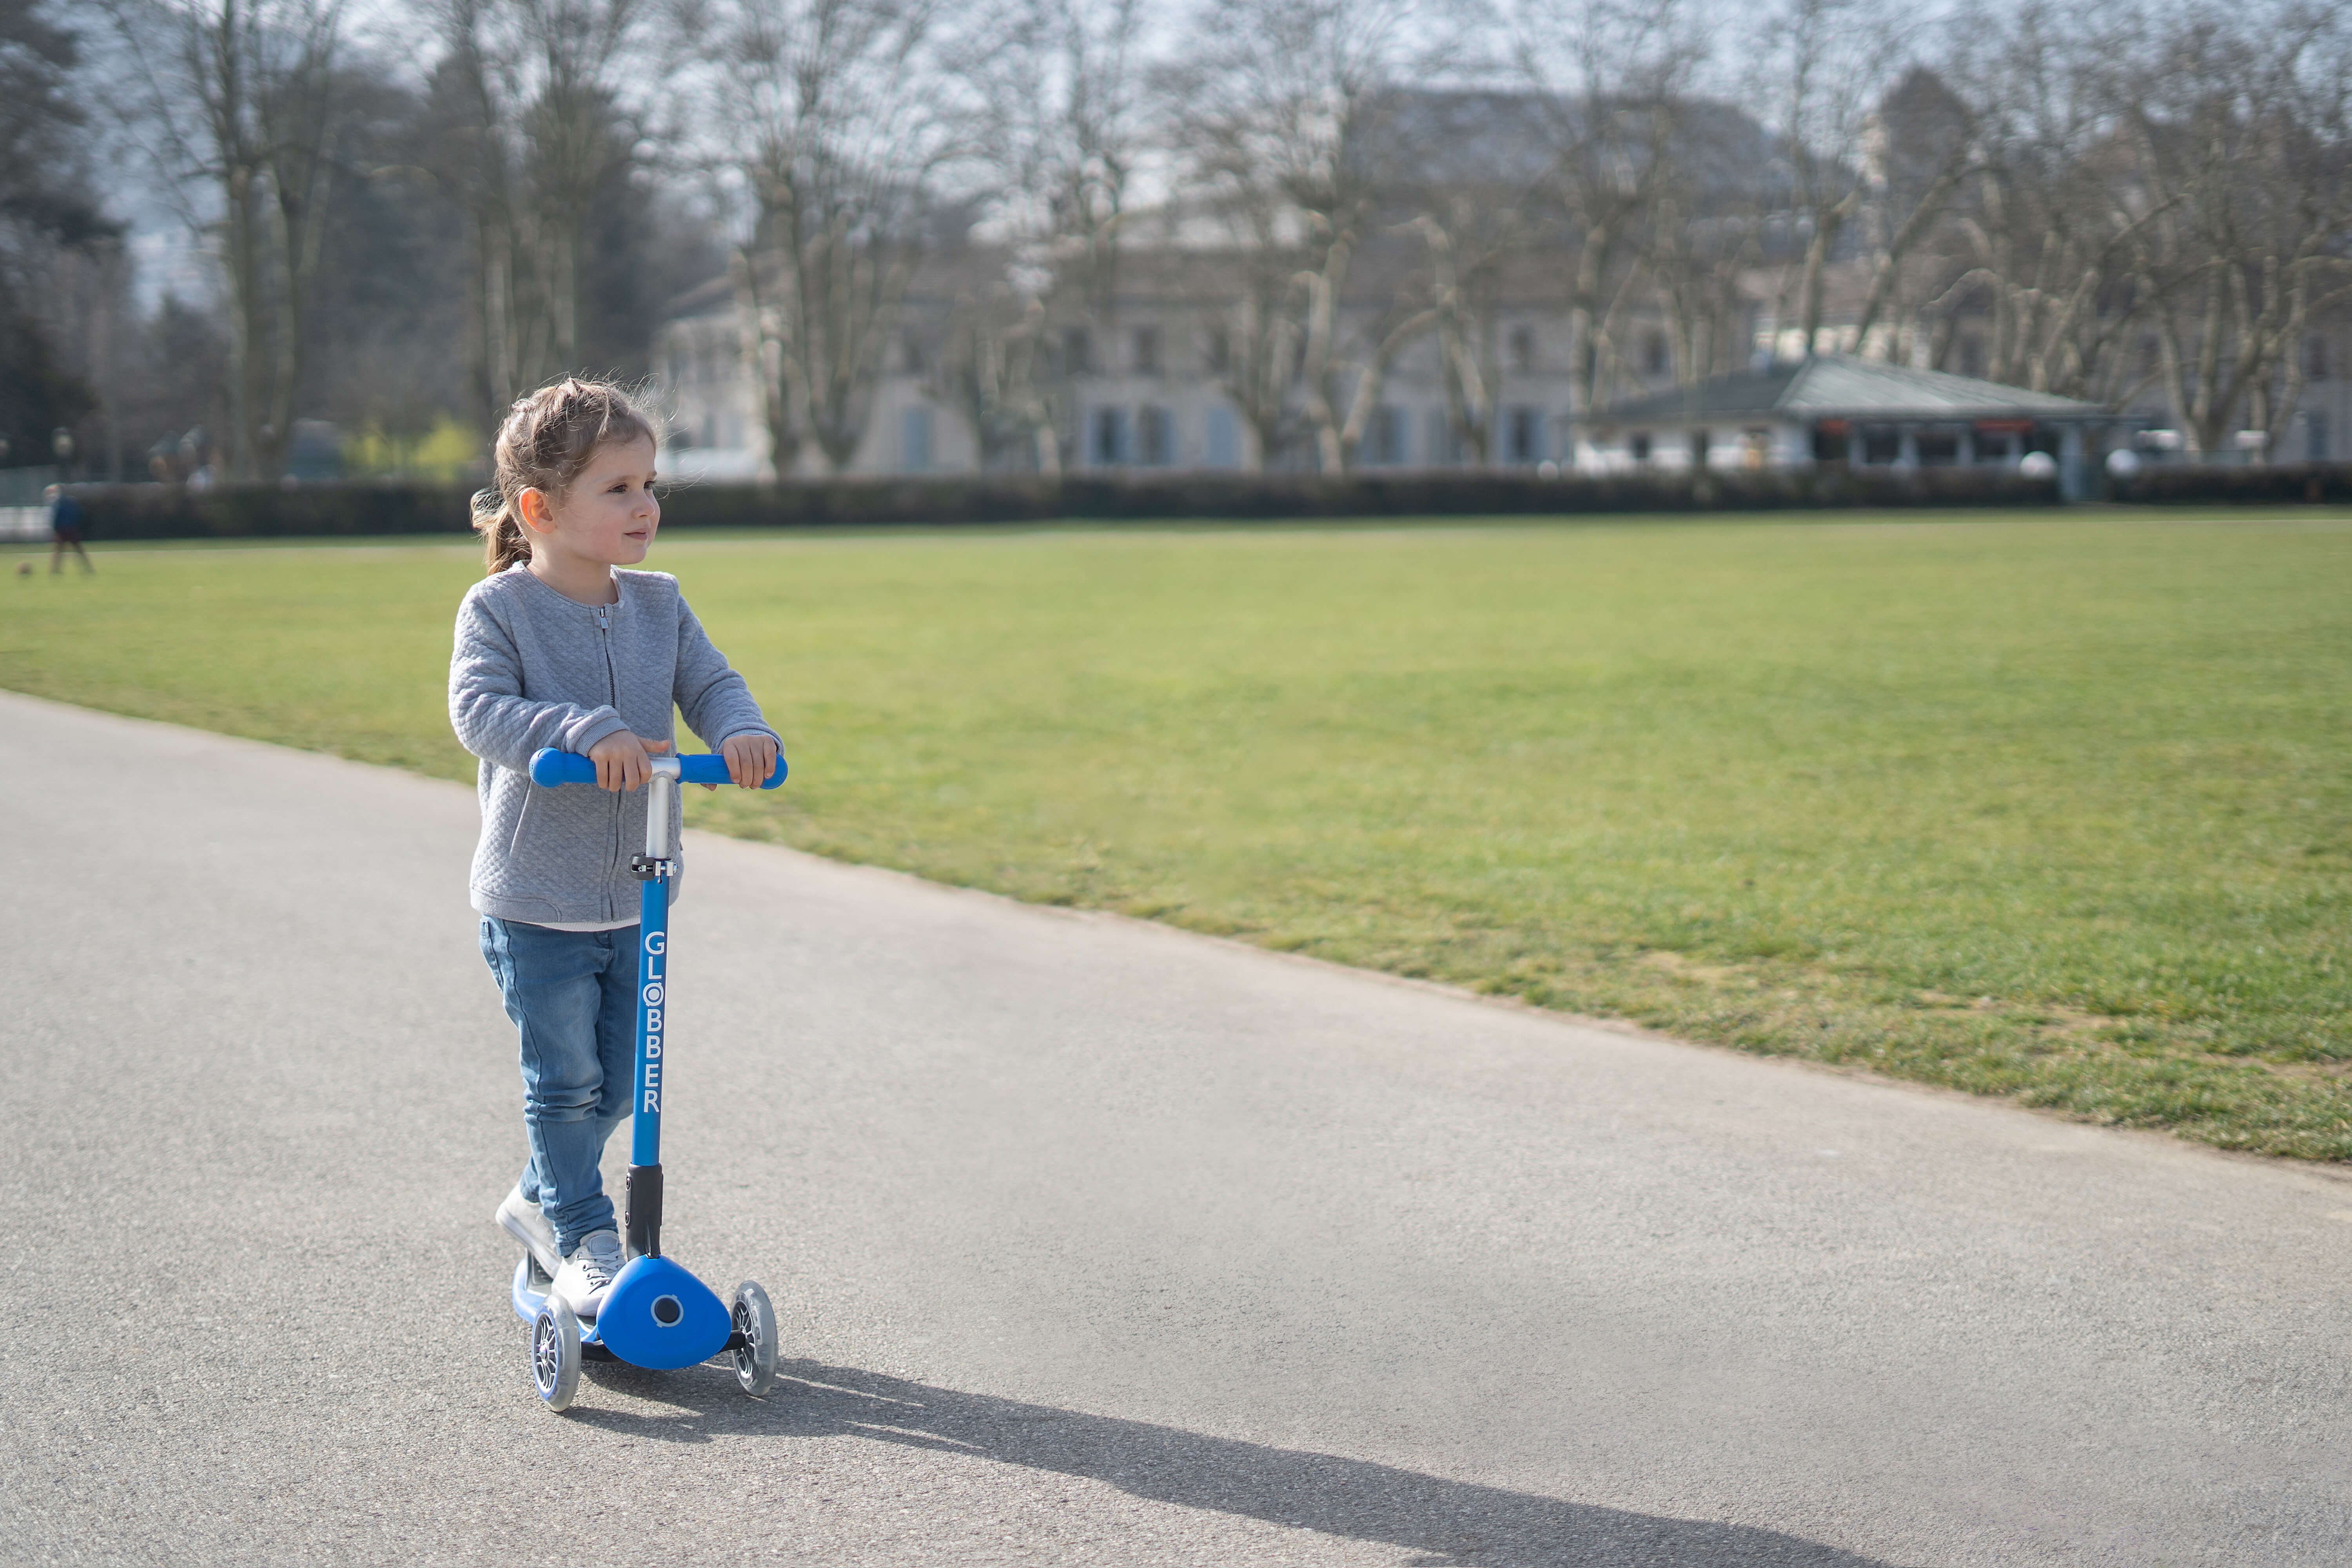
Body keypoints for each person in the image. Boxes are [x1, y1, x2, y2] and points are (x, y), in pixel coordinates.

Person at [449, 377, 782, 1320]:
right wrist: (581, 730)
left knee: (626, 1076)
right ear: (539, 509)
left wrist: (741, 731)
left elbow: (710, 682)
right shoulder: (498, 611)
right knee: (566, 1083)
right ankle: (584, 1236)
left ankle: (537, 1195)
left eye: (649, 484)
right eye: (619, 489)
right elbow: (480, 712)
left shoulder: (659, 604)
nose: (646, 506)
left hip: (640, 892)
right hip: (536, 898)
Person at [44, 485, 93, 574]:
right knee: (79, 550)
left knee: (58, 551)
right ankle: (88, 568)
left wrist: (55, 529)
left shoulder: (57, 502)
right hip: (72, 528)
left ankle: (55, 570)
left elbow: (55, 517)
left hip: (62, 530)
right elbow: (80, 514)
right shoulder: (72, 501)